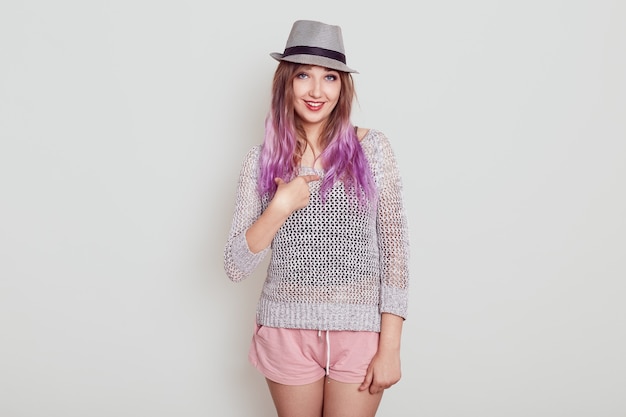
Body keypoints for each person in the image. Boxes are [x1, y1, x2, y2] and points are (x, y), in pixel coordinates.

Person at [223, 19, 410, 417]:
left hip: (360, 333)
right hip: (286, 331)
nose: (316, 90)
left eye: (330, 77)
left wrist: (390, 346)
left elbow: (396, 254)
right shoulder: (259, 161)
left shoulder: (373, 149)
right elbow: (236, 265)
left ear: (343, 87)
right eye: (304, 75)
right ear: (286, 83)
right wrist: (280, 205)